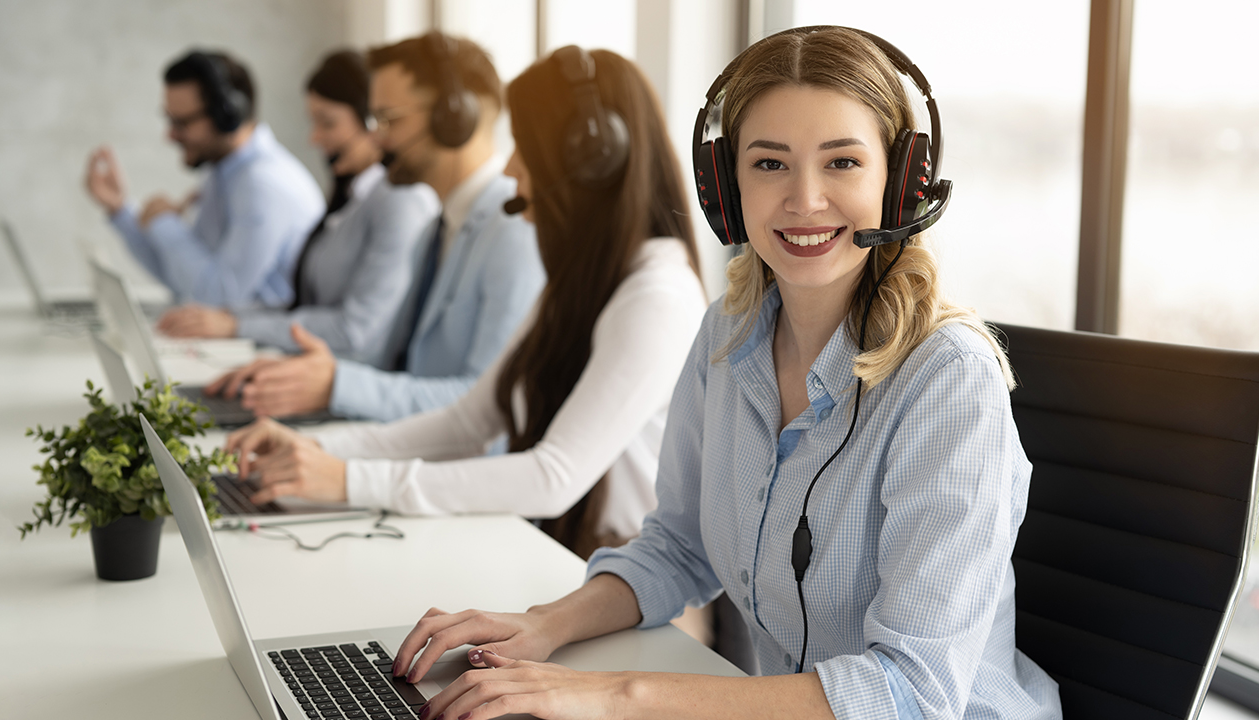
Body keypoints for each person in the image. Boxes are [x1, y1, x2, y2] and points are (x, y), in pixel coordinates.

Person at [377, 27, 1063, 720]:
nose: (804, 199)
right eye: (770, 164)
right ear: (724, 187)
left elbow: (909, 694)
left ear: (900, 180)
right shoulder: (729, 336)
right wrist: (543, 625)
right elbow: (678, 547)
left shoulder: (947, 383)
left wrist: (617, 694)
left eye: (843, 163)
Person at [223, 45, 706, 561]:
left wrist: (349, 480)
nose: (513, 170)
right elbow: (469, 421)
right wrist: (320, 454)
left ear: (591, 161)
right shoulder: (586, 280)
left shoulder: (657, 296)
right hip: (560, 556)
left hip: (624, 578)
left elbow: (554, 476)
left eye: (526, 149)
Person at [205, 32, 544, 423]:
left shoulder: (514, 229)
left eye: (388, 119)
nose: (376, 137)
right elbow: (393, 363)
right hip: (402, 445)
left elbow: (485, 403)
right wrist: (290, 374)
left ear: (454, 117)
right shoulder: (438, 227)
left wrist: (338, 386)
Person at [155, 50, 440, 366]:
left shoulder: (400, 202)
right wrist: (227, 318)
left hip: (344, 380)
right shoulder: (353, 199)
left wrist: (237, 325)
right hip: (308, 367)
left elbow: (356, 332)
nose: (314, 138)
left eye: (327, 123)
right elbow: (304, 306)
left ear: (372, 121)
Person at [85, 50, 325, 308]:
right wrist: (120, 209)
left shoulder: (262, 184)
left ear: (227, 115)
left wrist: (165, 224)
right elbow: (184, 281)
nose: (170, 135)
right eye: (169, 120)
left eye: (181, 123)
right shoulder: (223, 173)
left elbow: (218, 299)